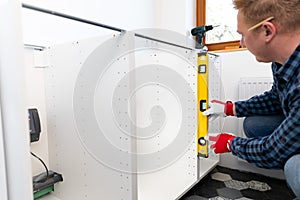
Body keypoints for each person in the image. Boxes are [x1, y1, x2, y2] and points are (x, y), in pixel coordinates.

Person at [203, 0, 300, 198]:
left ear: (267, 31)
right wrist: (231, 108)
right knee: (255, 124)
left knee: (294, 167)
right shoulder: (282, 63)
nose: (241, 42)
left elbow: (273, 151)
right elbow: (275, 98)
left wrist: (231, 144)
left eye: (242, 35)